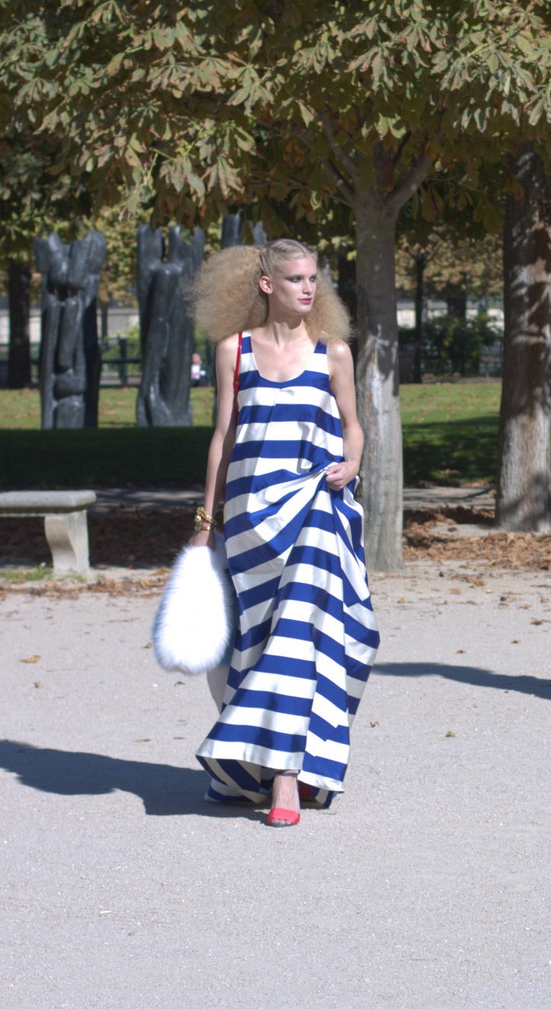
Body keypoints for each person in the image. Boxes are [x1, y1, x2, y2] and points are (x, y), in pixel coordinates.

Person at [184, 239, 379, 826]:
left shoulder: (334, 353)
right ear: (267, 284)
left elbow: (352, 425)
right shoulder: (232, 351)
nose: (309, 288)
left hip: (316, 508)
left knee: (301, 636)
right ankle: (259, 768)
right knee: (255, 644)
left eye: (314, 278)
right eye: (296, 279)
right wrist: (205, 521)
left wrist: (353, 464)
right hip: (249, 520)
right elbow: (222, 437)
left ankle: (289, 779)